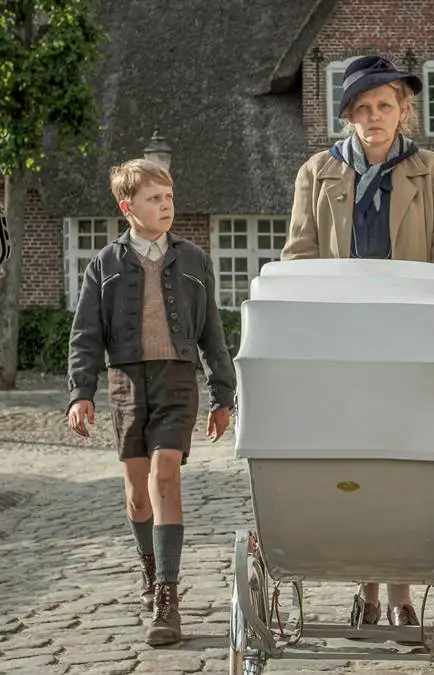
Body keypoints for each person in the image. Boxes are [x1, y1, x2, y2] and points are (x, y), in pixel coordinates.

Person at [281, 54, 434, 628]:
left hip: (411, 342)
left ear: (403, 111)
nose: (374, 117)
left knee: (407, 461)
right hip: (339, 345)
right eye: (363, 108)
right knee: (353, 460)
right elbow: (298, 257)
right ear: (348, 115)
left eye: (384, 106)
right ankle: (365, 589)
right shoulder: (317, 172)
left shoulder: (430, 169)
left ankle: (399, 596)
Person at [66, 158, 236, 646]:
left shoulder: (195, 260)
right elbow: (85, 335)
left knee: (166, 475)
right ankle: (148, 572)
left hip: (178, 380)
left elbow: (212, 333)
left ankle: (167, 595)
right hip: (126, 383)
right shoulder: (105, 263)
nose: (166, 206)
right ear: (128, 207)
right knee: (138, 491)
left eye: (169, 198)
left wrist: (223, 395)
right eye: (154, 199)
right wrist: (81, 392)